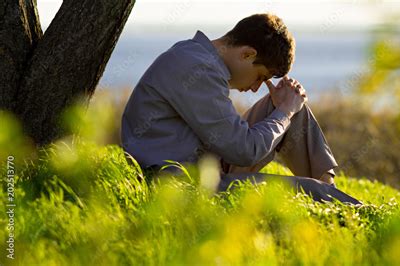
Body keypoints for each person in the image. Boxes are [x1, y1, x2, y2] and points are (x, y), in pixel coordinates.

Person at [121, 13, 361, 204]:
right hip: (183, 185)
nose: (256, 88)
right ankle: (346, 207)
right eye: (260, 76)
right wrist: (284, 112)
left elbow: (232, 141)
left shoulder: (197, 56)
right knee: (310, 190)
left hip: (209, 163)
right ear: (247, 54)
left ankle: (331, 193)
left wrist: (287, 109)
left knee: (294, 109)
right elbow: (244, 150)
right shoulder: (198, 69)